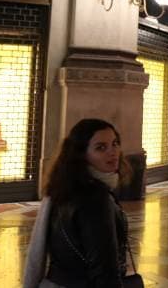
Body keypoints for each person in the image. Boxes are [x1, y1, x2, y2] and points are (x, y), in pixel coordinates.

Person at [23, 118, 138, 288]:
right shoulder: (95, 197)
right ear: (82, 154)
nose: (113, 152)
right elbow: (104, 267)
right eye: (101, 147)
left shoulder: (63, 188)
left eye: (115, 144)